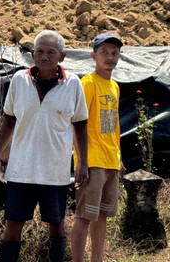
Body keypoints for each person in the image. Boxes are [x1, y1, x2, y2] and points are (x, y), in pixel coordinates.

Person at [0, 30, 89, 262]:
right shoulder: (18, 80)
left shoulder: (73, 83)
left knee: (57, 224)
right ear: (32, 54)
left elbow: (81, 126)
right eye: (40, 52)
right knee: (13, 225)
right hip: (20, 170)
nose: (44, 56)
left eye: (51, 52)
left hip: (55, 172)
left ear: (62, 56)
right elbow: (9, 119)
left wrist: (82, 164)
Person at [70, 33, 125, 262]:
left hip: (110, 159)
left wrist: (119, 158)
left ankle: (97, 259)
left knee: (102, 215)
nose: (110, 57)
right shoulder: (88, 83)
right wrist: (81, 161)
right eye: (104, 53)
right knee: (84, 216)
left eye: (114, 53)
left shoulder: (114, 86)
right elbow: (76, 123)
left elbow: (113, 126)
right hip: (92, 160)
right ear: (93, 55)